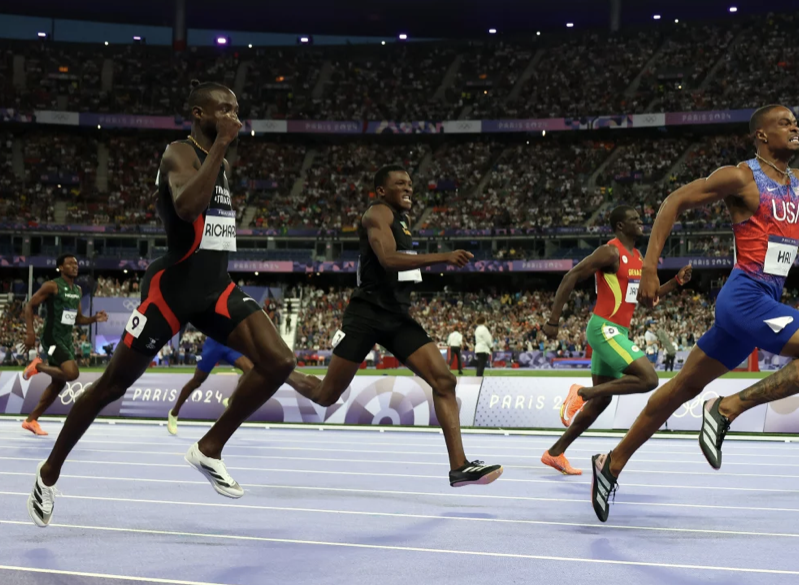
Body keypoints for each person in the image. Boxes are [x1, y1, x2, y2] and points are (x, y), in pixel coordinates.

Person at [588, 105, 799, 521]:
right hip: (744, 297)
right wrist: (650, 266)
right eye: (783, 122)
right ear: (761, 135)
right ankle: (726, 408)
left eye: (796, 121)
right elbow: (674, 201)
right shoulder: (742, 176)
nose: (794, 126)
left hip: (759, 302)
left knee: (682, 386)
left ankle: (610, 463)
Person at [28, 81, 299, 527]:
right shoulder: (178, 152)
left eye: (237, 108)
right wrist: (222, 146)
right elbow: (189, 208)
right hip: (170, 293)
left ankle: (209, 448)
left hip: (216, 289)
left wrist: (222, 151)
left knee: (279, 360)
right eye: (224, 108)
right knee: (110, 387)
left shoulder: (221, 161)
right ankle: (48, 473)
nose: (234, 114)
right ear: (198, 113)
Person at [285, 165, 502, 487]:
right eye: (400, 183)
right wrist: (442, 256)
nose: (409, 187)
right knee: (326, 395)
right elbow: (387, 258)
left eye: (411, 183)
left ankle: (459, 467)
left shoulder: (404, 220)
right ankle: (280, 370)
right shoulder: (377, 214)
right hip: (366, 314)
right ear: (381, 191)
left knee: (445, 382)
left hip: (397, 317)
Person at [538, 205, 692, 476]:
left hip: (617, 332)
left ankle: (555, 452)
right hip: (603, 328)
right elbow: (571, 276)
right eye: (634, 219)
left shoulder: (637, 257)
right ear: (620, 226)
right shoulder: (610, 252)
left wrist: (676, 282)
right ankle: (581, 393)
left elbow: (648, 300)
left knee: (603, 401)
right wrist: (553, 320)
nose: (641, 221)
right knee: (649, 379)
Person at [20, 254, 109, 436]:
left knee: (58, 384)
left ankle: (31, 420)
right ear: (60, 267)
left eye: (76, 264)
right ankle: (38, 366)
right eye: (69, 263)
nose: (74, 266)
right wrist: (31, 333)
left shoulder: (77, 290)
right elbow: (29, 306)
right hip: (52, 337)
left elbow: (77, 319)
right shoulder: (52, 286)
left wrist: (94, 319)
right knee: (72, 373)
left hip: (66, 339)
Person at [167, 335, 255, 435]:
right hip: (214, 344)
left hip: (230, 344)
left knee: (250, 370)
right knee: (197, 381)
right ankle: (174, 413)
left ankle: (231, 400)